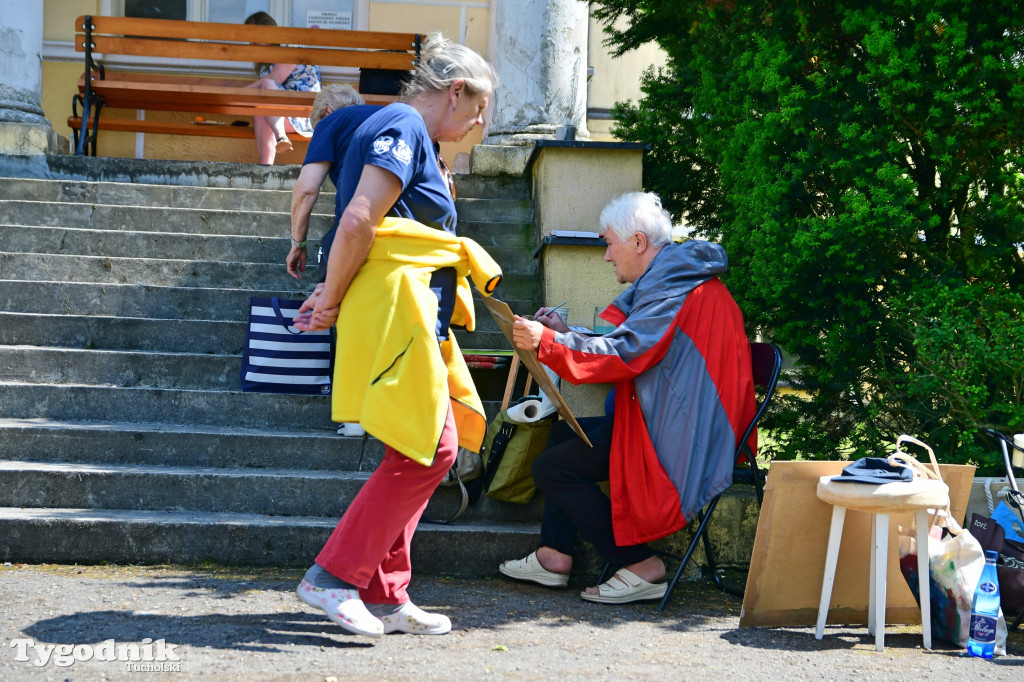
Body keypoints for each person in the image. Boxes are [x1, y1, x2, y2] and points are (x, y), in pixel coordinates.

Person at [290, 32, 498, 638]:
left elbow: (371, 228)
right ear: (454, 91)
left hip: (412, 313)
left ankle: (387, 593)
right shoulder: (404, 122)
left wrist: (333, 289)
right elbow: (359, 218)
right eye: (478, 108)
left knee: (423, 447)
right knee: (429, 450)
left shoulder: (412, 135)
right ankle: (332, 577)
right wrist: (330, 298)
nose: (480, 123)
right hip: (398, 312)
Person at [498, 192, 757, 605]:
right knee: (565, 438)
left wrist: (549, 342)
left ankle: (641, 565)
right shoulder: (676, 277)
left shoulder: (673, 285)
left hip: (682, 438)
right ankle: (554, 557)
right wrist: (565, 335)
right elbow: (638, 346)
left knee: (552, 469)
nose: (606, 256)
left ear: (638, 243)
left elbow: (626, 353)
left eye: (608, 243)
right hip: (673, 421)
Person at [287, 83, 380, 280]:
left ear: (327, 111)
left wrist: (298, 243)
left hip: (358, 227)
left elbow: (306, 190)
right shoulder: (394, 116)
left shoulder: (331, 121)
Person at [243, 11, 321, 165]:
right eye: (248, 40)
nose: (250, 44)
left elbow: (275, 79)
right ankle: (265, 169)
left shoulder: (290, 44)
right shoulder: (264, 65)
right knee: (261, 111)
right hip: (284, 114)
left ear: (267, 32)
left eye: (253, 38)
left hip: (304, 112)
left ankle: (281, 137)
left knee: (266, 87)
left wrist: (242, 91)